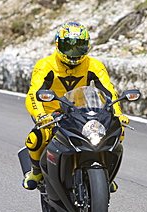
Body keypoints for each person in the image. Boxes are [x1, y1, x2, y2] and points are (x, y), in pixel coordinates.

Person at [22, 21, 129, 192]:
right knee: (36, 137)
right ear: (58, 45)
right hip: (53, 113)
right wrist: (41, 115)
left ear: (87, 47)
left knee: (117, 130)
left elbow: (109, 91)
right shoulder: (46, 65)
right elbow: (33, 93)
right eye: (69, 46)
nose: (73, 52)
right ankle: (35, 171)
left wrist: (117, 113)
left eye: (79, 47)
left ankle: (105, 175)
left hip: (82, 111)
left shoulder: (94, 65)